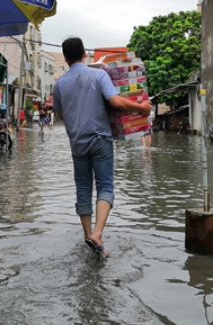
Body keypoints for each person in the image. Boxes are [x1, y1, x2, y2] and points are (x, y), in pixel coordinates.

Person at [53, 37, 152, 259]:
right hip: (100, 138)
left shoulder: (59, 84)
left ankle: (89, 235)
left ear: (66, 58)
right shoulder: (99, 75)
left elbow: (61, 115)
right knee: (105, 186)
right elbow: (117, 103)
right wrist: (141, 108)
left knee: (83, 188)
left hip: (77, 143)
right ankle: (98, 234)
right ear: (84, 54)